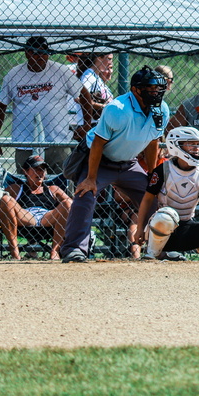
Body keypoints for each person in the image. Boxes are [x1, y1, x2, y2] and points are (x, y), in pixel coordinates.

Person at [60, 66, 169, 263]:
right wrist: (91, 178)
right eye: (151, 89)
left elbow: (153, 142)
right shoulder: (118, 109)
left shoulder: (161, 109)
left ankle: (162, 249)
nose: (157, 93)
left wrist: (152, 176)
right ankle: (74, 249)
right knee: (86, 193)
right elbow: (98, 143)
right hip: (99, 160)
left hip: (128, 162)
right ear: (136, 90)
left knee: (153, 197)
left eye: (159, 89)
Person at [0, 36, 93, 174]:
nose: (40, 56)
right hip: (25, 143)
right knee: (26, 186)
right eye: (35, 53)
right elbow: (0, 107)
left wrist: (87, 123)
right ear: (27, 53)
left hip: (58, 142)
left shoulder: (60, 71)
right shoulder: (14, 74)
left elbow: (84, 93)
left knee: (60, 185)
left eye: (44, 52)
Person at [135, 126, 199, 261]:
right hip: (161, 231)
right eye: (191, 144)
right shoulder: (164, 170)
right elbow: (147, 199)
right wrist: (140, 228)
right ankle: (153, 253)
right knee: (167, 216)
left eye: (198, 144)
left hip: (187, 227)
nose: (196, 148)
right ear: (176, 146)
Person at [0, 155, 71, 260]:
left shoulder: (53, 189)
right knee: (6, 199)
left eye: (42, 169)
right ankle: (15, 252)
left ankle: (55, 251)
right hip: (26, 217)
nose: (40, 172)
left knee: (68, 203)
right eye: (36, 169)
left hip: (48, 218)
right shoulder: (16, 188)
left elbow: (71, 205)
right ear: (26, 172)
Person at [71, 53, 115, 140]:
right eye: (109, 59)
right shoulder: (89, 75)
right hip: (89, 125)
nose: (111, 63)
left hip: (95, 124)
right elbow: (78, 98)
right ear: (99, 58)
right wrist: (104, 106)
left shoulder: (96, 76)